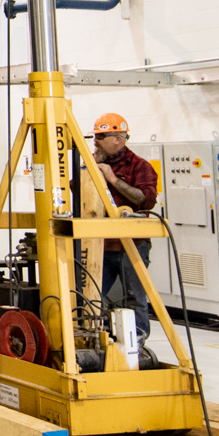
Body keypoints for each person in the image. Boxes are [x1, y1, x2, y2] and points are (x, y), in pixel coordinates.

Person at [90, 112, 159, 342]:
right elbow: (75, 190)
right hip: (102, 244)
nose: (96, 141)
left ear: (118, 139)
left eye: (101, 137)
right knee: (90, 296)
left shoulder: (140, 166)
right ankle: (92, 337)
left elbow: (145, 199)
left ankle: (138, 342)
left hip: (132, 245)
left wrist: (112, 179)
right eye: (95, 136)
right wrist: (88, 169)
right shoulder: (93, 166)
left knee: (134, 297)